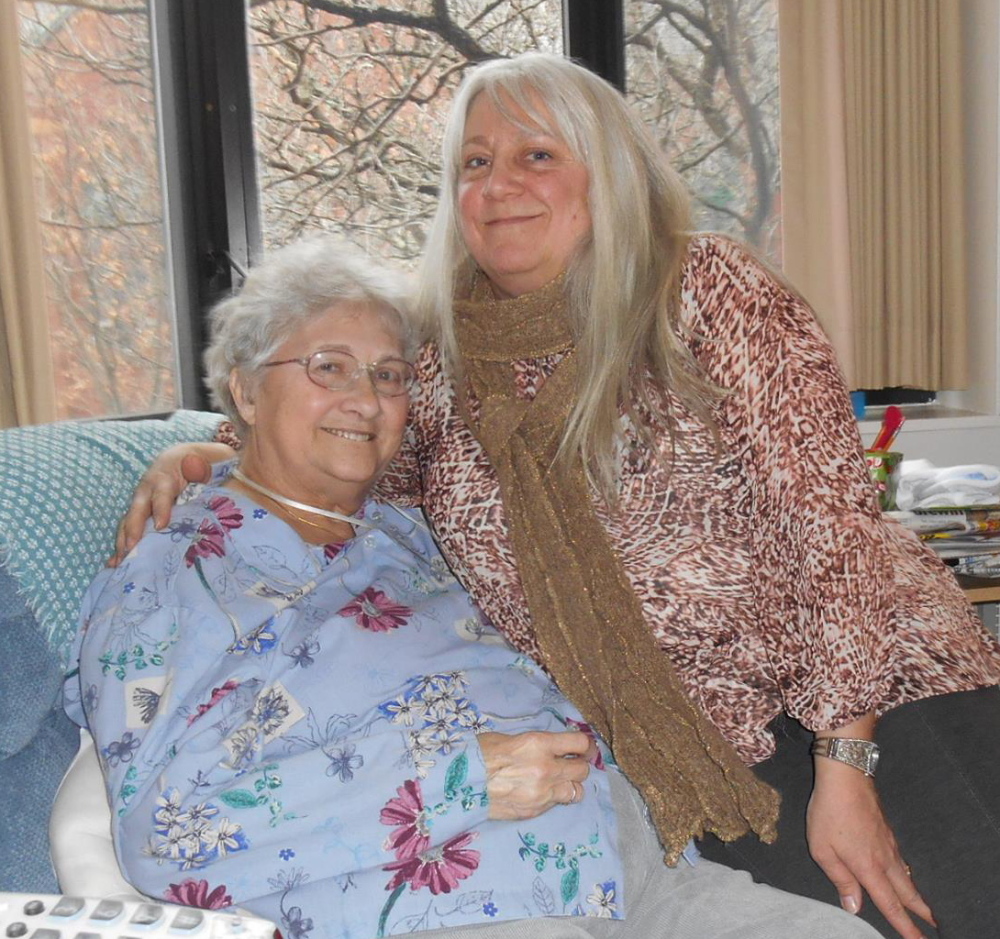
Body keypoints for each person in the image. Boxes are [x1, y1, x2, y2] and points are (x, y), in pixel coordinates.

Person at [115, 53, 1000, 939]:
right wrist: (205, 451)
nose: (499, 185)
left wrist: (846, 763)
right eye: (474, 162)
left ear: (604, 174)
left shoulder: (706, 291)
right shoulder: (438, 364)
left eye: (536, 155)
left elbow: (831, 528)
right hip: (687, 764)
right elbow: (344, 451)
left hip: (875, 701)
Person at [63, 235, 883, 939]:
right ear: (245, 387)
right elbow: (167, 833)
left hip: (640, 876)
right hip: (454, 906)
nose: (365, 397)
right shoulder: (173, 572)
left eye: (389, 376)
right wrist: (452, 778)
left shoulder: (417, 533)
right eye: (328, 366)